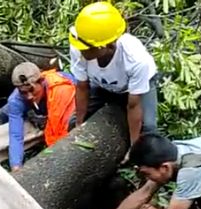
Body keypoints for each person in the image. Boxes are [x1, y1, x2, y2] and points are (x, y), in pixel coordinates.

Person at [68, 1, 159, 155]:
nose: (80, 51)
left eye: (86, 49)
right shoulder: (80, 45)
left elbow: (133, 105)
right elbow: (82, 86)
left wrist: (133, 147)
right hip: (103, 86)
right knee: (72, 123)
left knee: (149, 128)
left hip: (134, 89)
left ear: (106, 47)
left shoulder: (135, 59)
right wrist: (78, 124)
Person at [0, 62, 77, 171]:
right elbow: (16, 135)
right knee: (2, 114)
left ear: (42, 81)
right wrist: (16, 165)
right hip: (31, 110)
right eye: (23, 92)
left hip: (62, 104)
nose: (29, 96)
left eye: (31, 90)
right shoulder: (16, 100)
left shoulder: (62, 86)